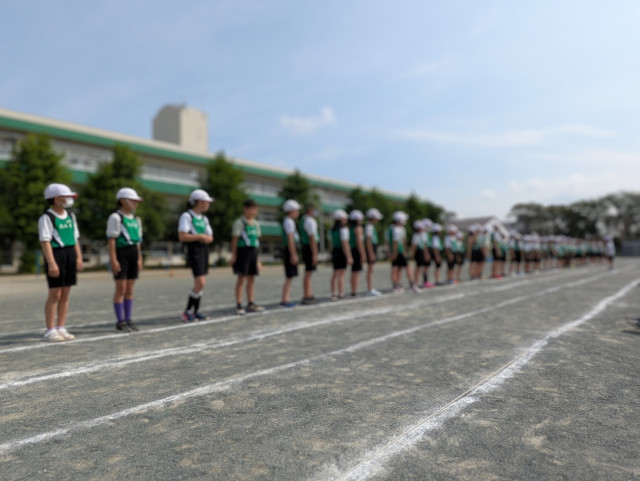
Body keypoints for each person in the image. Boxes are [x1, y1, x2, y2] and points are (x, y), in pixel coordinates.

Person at [39, 183, 84, 342]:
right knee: (55, 294)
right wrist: (51, 262)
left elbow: (75, 238)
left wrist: (79, 257)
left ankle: (61, 326)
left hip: (70, 253)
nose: (69, 199)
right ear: (56, 198)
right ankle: (50, 329)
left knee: (65, 293)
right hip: (56, 254)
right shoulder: (47, 217)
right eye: (66, 196)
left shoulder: (71, 216)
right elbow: (45, 241)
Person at [107, 187, 143, 332]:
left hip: (133, 252)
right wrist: (113, 259)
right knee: (120, 288)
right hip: (121, 253)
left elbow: (138, 241)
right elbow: (111, 240)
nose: (136, 203)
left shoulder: (136, 219)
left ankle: (128, 318)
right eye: (133, 200)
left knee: (130, 288)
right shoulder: (116, 217)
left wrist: (139, 258)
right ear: (123, 201)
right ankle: (120, 320)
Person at [178, 189, 214, 322]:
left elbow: (210, 236)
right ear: (199, 202)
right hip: (194, 250)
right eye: (206, 202)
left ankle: (196, 311)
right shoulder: (187, 216)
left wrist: (207, 238)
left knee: (200, 283)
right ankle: (187, 311)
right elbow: (182, 236)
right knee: (200, 282)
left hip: (203, 250)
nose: (208, 204)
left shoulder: (204, 218)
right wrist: (200, 236)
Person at [230, 199, 264, 315]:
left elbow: (257, 241)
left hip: (253, 251)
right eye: (252, 209)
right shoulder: (239, 222)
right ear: (245, 209)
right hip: (242, 252)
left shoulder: (256, 224)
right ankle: (239, 304)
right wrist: (234, 255)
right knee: (241, 278)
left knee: (251, 278)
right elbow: (235, 240)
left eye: (255, 209)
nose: (254, 211)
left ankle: (251, 302)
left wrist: (258, 260)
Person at [388, 211, 418, 292]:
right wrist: (397, 252)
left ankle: (396, 284)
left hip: (395, 251)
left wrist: (390, 252)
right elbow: (396, 242)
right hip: (399, 251)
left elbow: (388, 242)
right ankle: (411, 284)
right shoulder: (397, 229)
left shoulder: (390, 228)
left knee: (397, 268)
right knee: (406, 267)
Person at [280, 199, 301, 307]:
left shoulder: (288, 221)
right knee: (289, 276)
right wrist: (293, 254)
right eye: (296, 210)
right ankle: (285, 299)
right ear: (291, 210)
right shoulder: (289, 221)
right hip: (289, 250)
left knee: (290, 277)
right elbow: (290, 239)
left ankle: (286, 298)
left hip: (289, 249)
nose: (298, 213)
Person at [299, 204, 319, 304]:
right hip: (309, 247)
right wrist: (315, 254)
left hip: (306, 246)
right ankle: (307, 295)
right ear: (310, 210)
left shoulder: (304, 220)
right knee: (308, 271)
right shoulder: (310, 221)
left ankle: (309, 293)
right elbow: (312, 237)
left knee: (309, 272)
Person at [330, 209, 352, 301]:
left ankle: (333, 293)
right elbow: (345, 243)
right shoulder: (343, 229)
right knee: (342, 274)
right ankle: (341, 293)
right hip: (341, 252)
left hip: (335, 251)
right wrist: (349, 256)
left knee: (335, 273)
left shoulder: (332, 230)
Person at [364, 208, 383, 296]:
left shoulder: (371, 226)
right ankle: (370, 288)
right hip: (371, 248)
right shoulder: (369, 227)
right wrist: (371, 253)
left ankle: (371, 288)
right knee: (370, 269)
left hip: (373, 247)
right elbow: (368, 241)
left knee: (371, 269)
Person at [348, 210, 366, 297]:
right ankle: (354, 291)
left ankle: (353, 291)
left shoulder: (350, 228)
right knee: (356, 272)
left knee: (354, 272)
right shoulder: (358, 228)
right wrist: (363, 254)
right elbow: (359, 242)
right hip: (356, 250)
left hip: (352, 249)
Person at [409, 220, 428, 289]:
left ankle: (417, 281)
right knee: (418, 267)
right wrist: (412, 254)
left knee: (420, 267)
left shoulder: (422, 234)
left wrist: (426, 254)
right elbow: (414, 245)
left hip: (421, 251)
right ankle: (416, 282)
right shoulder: (416, 235)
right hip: (418, 251)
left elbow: (424, 245)